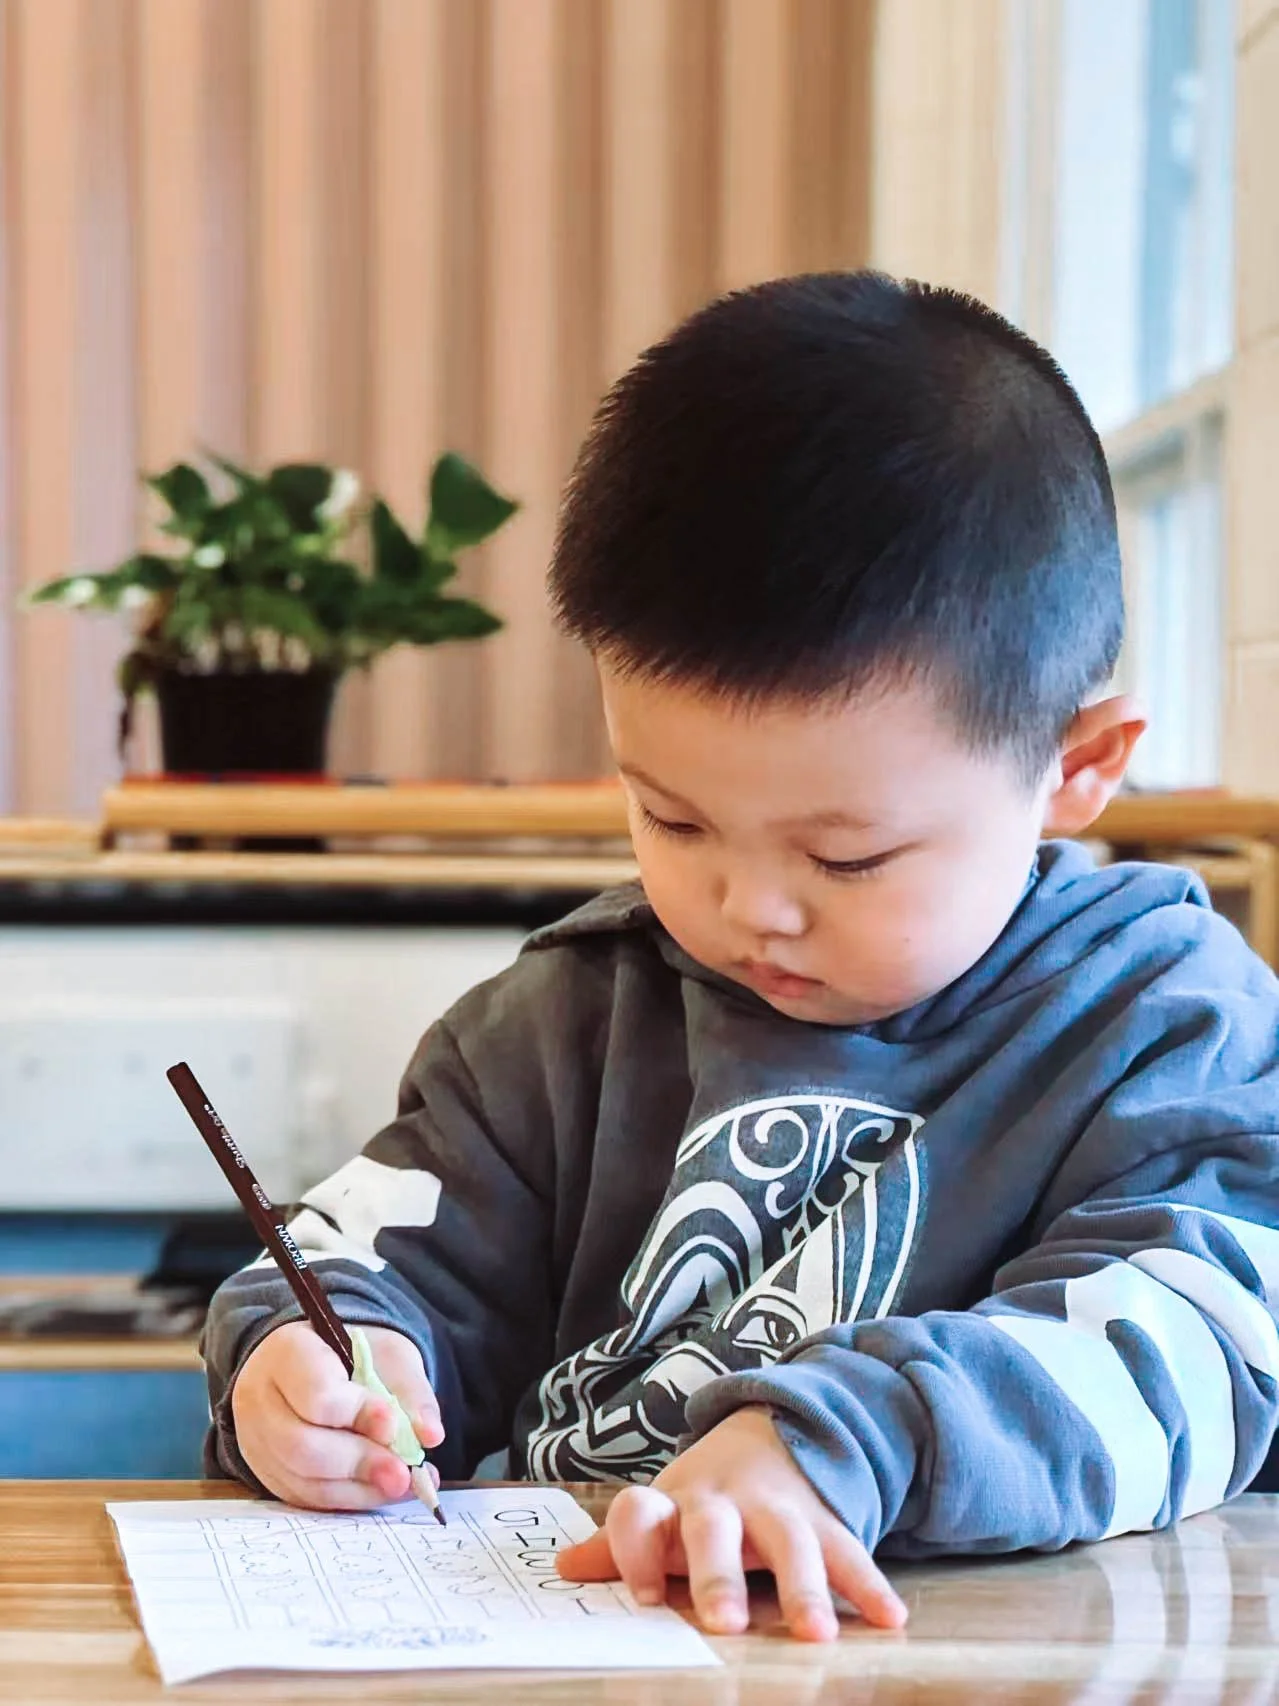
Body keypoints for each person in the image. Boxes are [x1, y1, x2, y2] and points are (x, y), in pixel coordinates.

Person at [203, 272, 1279, 1644]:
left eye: (845, 858)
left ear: (1074, 769)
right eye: (671, 816)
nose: (745, 904)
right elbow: (372, 1251)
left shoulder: (1165, 1023)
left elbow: (1197, 1341)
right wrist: (313, 1360)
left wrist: (841, 1437)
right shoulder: (568, 1019)